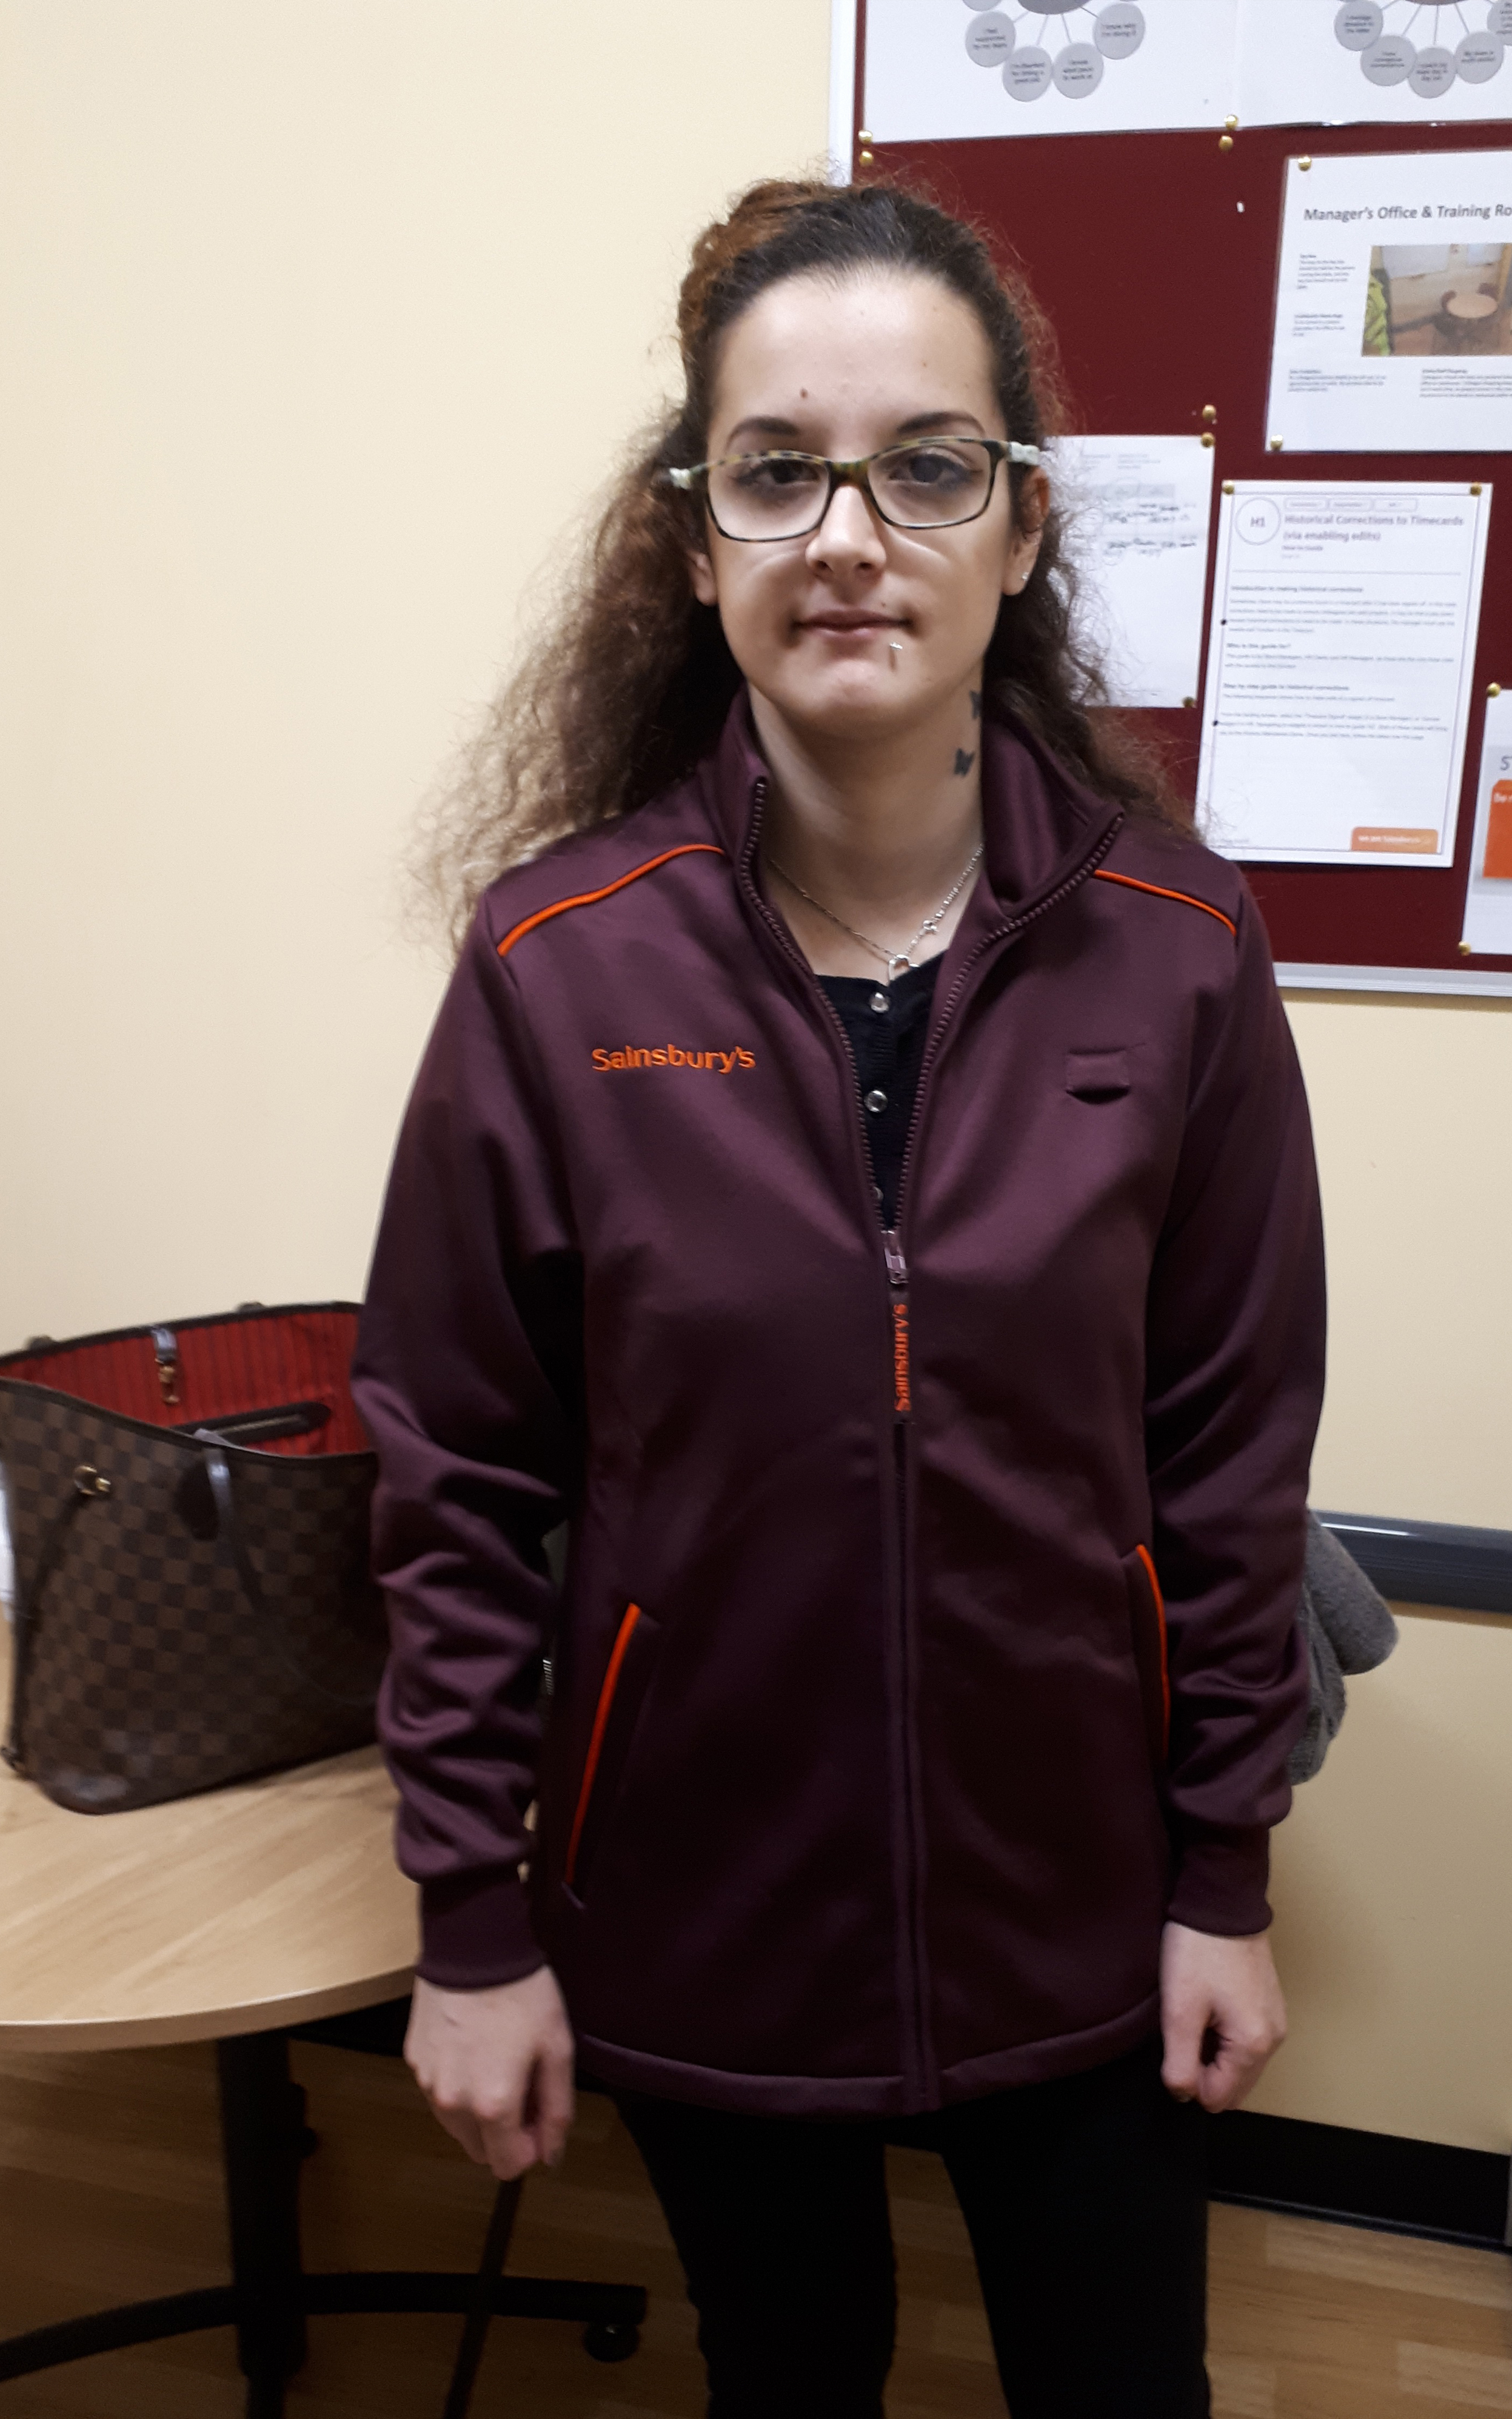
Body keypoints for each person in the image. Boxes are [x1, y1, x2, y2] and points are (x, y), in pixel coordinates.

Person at [352, 176, 1325, 2418]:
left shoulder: (1179, 953)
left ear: (1021, 526)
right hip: (704, 1908)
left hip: (1084, 1914)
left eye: (928, 465)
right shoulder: (554, 965)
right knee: (787, 2386)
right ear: (697, 540)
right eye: (777, 470)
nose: (849, 533)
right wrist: (473, 1926)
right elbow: (459, 1475)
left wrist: (1223, 1876)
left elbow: (1234, 1457)